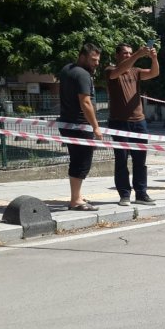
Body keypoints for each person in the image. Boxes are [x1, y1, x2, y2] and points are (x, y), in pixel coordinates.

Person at [106, 42, 160, 206]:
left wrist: (154, 58)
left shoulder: (136, 72)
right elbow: (117, 72)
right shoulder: (110, 70)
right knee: (121, 160)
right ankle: (124, 194)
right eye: (125, 53)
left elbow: (154, 73)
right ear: (117, 55)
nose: (128, 56)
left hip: (139, 122)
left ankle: (141, 193)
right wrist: (138, 54)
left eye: (130, 53)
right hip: (119, 122)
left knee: (140, 160)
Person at [59, 42, 103, 211]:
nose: (96, 63)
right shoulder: (83, 74)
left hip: (67, 123)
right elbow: (85, 102)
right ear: (82, 57)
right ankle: (76, 200)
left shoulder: (66, 70)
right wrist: (95, 126)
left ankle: (76, 196)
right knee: (82, 162)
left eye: (98, 60)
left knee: (76, 160)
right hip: (80, 125)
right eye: (93, 60)